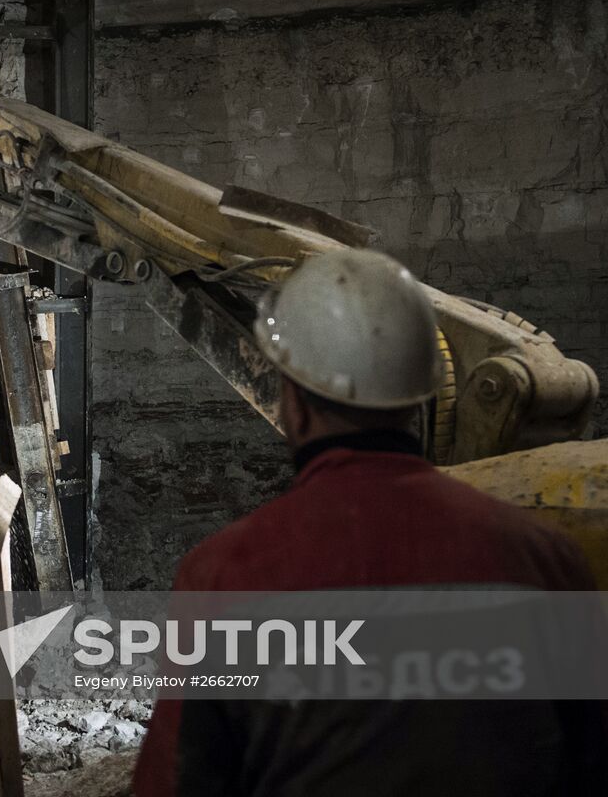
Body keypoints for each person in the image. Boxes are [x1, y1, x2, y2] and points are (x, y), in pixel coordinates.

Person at [131, 248, 604, 796]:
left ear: (295, 406)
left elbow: (175, 782)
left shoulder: (224, 576)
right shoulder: (546, 558)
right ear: (420, 397)